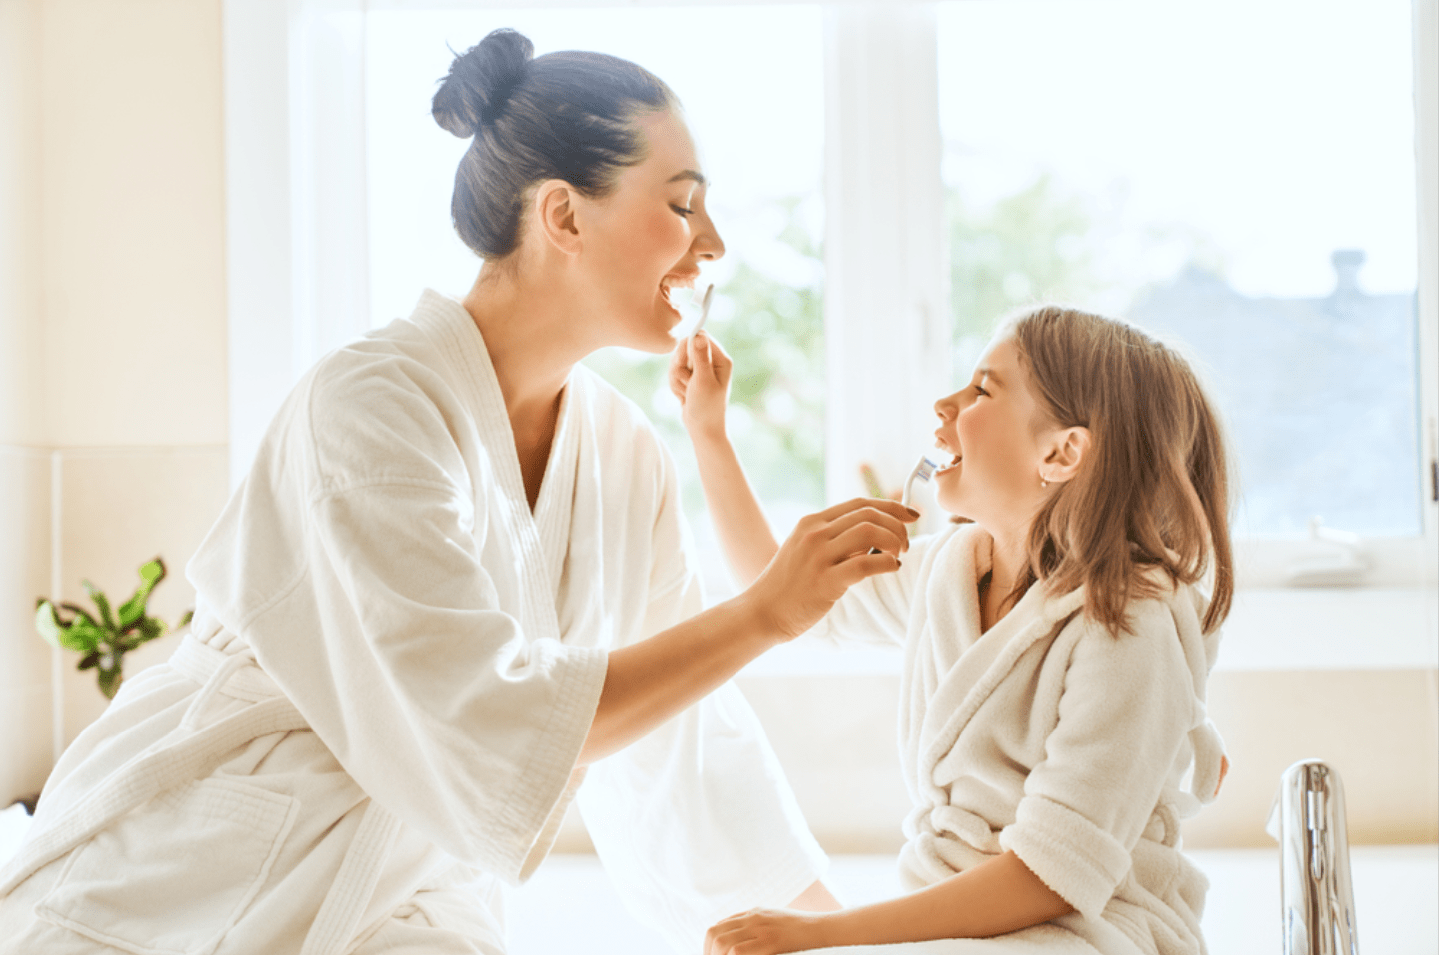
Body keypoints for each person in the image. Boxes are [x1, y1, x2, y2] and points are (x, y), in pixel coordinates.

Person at [0, 29, 916, 954]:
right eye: (681, 206)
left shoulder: (621, 451)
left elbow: (678, 740)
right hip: (181, 882)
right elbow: (487, 717)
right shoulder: (369, 405)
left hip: (408, 900)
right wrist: (767, 612)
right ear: (562, 214)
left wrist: (844, 933)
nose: (711, 244)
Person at [673, 306, 1234, 955]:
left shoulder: (1129, 621)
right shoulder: (949, 568)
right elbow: (784, 601)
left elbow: (1053, 875)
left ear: (1059, 452)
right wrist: (707, 432)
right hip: (957, 918)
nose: (944, 405)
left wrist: (823, 935)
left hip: (1086, 929)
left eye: (980, 390)